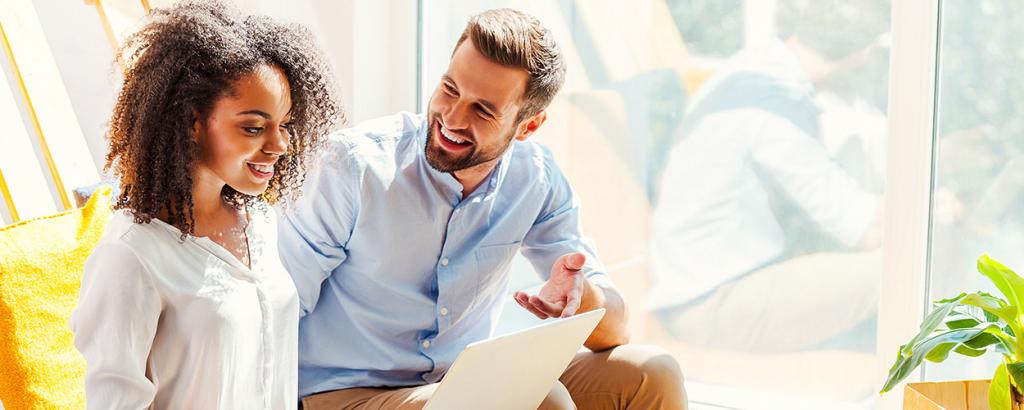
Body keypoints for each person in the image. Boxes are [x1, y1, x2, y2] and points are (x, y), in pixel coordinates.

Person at [279, 8, 686, 410]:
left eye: (483, 109)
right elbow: (278, 304)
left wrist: (583, 297)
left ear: (528, 126)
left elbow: (616, 331)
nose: (452, 118)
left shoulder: (536, 180)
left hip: (459, 383)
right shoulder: (351, 166)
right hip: (344, 395)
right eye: (450, 89)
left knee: (651, 373)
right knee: (535, 400)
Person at [69, 2, 341, 408]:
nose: (280, 145)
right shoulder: (130, 257)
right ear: (192, 122)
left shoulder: (259, 222)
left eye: (284, 125)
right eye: (254, 127)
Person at [648, 0, 889, 354]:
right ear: (865, 53)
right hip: (715, 303)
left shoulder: (756, 68)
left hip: (702, 286)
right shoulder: (774, 105)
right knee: (899, 272)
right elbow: (862, 230)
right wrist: (932, 211)